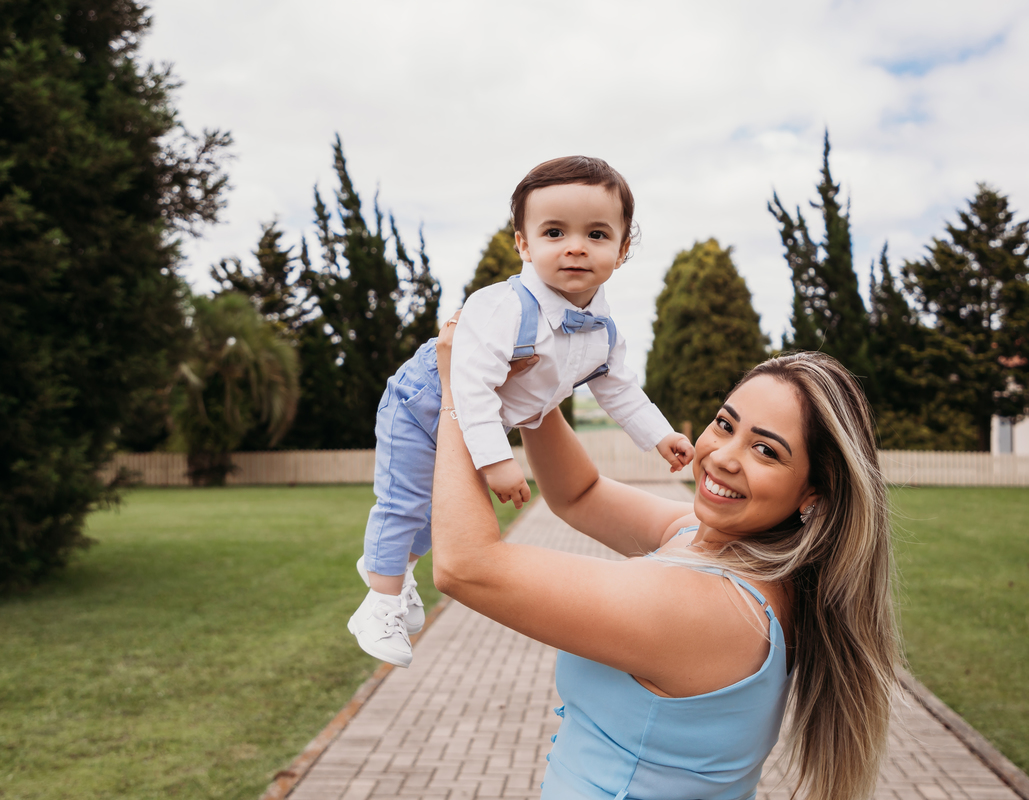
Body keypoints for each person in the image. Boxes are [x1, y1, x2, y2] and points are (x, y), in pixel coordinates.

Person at [430, 324, 900, 800]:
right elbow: (579, 494)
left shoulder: (715, 606)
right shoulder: (706, 542)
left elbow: (465, 565)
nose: (723, 457)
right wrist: (538, 384)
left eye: (765, 450)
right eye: (725, 424)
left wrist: (459, 392)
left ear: (813, 493)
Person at [348, 156, 695, 668]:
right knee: (403, 503)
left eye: (597, 234)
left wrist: (659, 436)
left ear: (622, 251)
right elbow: (466, 384)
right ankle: (378, 601)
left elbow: (619, 389)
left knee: (435, 513)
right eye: (555, 232)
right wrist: (496, 461)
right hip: (423, 405)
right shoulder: (502, 307)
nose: (575, 246)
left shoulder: (604, 331)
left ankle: (394, 573)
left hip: (478, 420)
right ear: (524, 245)